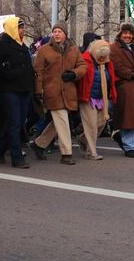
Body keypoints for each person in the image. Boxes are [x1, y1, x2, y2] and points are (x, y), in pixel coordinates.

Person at [30, 22, 86, 165]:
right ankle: (66, 153)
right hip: (52, 92)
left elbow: (82, 66)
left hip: (68, 92)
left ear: (65, 34)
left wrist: (74, 74)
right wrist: (38, 91)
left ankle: (38, 144)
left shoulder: (74, 49)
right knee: (62, 120)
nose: (56, 34)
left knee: (58, 122)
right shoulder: (44, 50)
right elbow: (38, 72)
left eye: (59, 31)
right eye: (54, 31)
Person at [0, 17, 35, 168]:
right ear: (12, 29)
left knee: (18, 122)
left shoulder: (23, 46)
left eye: (23, 27)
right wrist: (11, 74)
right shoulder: (1, 45)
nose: (23, 30)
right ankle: (17, 158)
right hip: (10, 90)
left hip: (24, 89)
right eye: (20, 27)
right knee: (15, 122)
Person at [109, 23, 134, 157]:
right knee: (129, 117)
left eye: (130, 33)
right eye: (125, 33)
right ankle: (129, 146)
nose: (127, 36)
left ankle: (126, 139)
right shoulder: (114, 48)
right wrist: (132, 74)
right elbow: (117, 67)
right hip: (125, 86)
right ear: (120, 34)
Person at [76, 39, 117, 160]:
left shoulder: (108, 63)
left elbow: (111, 79)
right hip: (87, 97)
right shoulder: (84, 60)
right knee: (91, 125)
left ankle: (83, 138)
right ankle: (91, 152)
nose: (103, 57)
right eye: (101, 55)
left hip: (102, 97)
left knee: (102, 123)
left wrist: (112, 93)